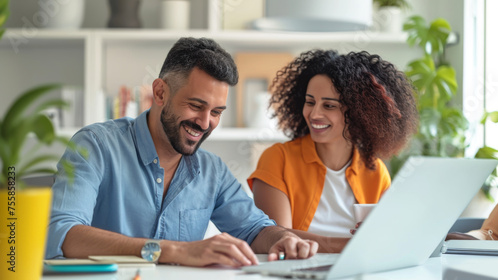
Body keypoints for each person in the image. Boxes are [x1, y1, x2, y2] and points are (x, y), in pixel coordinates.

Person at [46, 37, 318, 267]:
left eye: (216, 112)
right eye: (196, 105)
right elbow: (61, 233)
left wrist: (283, 238)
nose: (204, 122)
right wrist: (175, 251)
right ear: (160, 92)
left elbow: (255, 229)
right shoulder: (95, 146)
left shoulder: (212, 171)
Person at [248, 50, 418, 250]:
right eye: (310, 102)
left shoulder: (375, 171)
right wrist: (350, 245)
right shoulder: (278, 159)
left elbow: (386, 237)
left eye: (329, 106)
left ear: (357, 113)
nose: (314, 114)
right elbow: (275, 237)